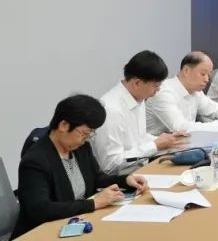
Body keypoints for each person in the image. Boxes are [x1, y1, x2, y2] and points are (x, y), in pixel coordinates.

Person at [13, 95, 148, 238]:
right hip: (42, 233)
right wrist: (93, 203)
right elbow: (40, 209)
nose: (86, 139)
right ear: (64, 125)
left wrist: (125, 180)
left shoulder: (80, 148)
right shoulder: (35, 161)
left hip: (77, 223)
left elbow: (97, 178)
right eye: (85, 133)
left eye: (90, 134)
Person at [90, 50, 188, 175]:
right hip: (119, 179)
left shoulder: (138, 97)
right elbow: (110, 164)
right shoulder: (111, 110)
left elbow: (138, 139)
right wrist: (155, 145)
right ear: (137, 83)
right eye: (155, 86)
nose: (158, 90)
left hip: (142, 170)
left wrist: (168, 140)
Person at [147, 52, 218, 135]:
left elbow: (214, 109)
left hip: (184, 144)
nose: (207, 79)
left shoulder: (196, 91)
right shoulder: (163, 92)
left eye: (208, 75)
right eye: (203, 74)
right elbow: (180, 127)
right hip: (159, 152)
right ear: (186, 70)